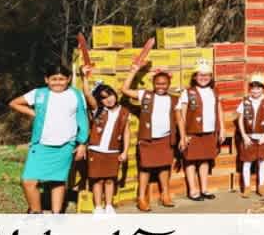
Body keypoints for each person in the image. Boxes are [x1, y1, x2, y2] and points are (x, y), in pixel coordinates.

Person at [8, 64, 89, 214]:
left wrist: (82, 143)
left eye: (62, 79)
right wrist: (34, 113)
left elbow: (83, 120)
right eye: (54, 79)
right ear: (46, 79)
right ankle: (36, 213)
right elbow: (14, 103)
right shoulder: (39, 93)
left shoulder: (76, 95)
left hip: (65, 146)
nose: (58, 82)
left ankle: (56, 215)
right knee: (28, 181)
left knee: (58, 181)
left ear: (69, 79)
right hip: (41, 145)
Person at [119, 63, 178, 212]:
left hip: (165, 138)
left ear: (169, 84)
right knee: (145, 169)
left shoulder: (173, 99)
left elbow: (181, 116)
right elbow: (124, 90)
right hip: (147, 138)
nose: (161, 86)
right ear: (153, 83)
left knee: (164, 166)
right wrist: (133, 71)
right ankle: (141, 198)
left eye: (164, 84)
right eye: (158, 83)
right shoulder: (145, 95)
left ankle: (165, 194)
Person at [79, 65, 130, 214]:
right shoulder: (98, 110)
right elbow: (88, 94)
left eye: (110, 95)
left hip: (113, 151)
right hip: (95, 150)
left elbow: (126, 133)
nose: (108, 99)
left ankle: (108, 205)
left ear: (115, 94)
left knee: (110, 179)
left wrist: (125, 151)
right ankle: (98, 207)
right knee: (97, 180)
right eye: (103, 98)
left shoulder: (124, 112)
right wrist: (84, 78)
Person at [176, 60, 223, 201]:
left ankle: (204, 188)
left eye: (207, 75)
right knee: (190, 161)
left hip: (209, 132)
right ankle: (193, 190)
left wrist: (222, 128)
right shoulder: (187, 92)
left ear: (211, 77)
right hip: (192, 133)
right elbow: (181, 115)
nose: (204, 78)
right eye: (200, 75)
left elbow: (219, 110)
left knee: (205, 161)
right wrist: (183, 135)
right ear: (195, 76)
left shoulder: (214, 91)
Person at [236, 72, 264, 198]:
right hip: (248, 137)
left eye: (258, 88)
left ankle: (261, 186)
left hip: (261, 137)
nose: (255, 90)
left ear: (263, 89)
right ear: (250, 88)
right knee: (247, 162)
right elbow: (240, 120)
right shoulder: (245, 102)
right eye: (253, 88)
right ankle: (246, 187)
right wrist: (244, 136)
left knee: (262, 161)